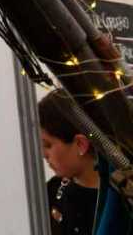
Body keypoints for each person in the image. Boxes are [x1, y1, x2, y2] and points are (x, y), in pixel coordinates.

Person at [40, 91, 101, 235]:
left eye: (48, 145)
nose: (43, 155)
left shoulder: (116, 202)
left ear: (80, 144)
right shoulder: (49, 192)